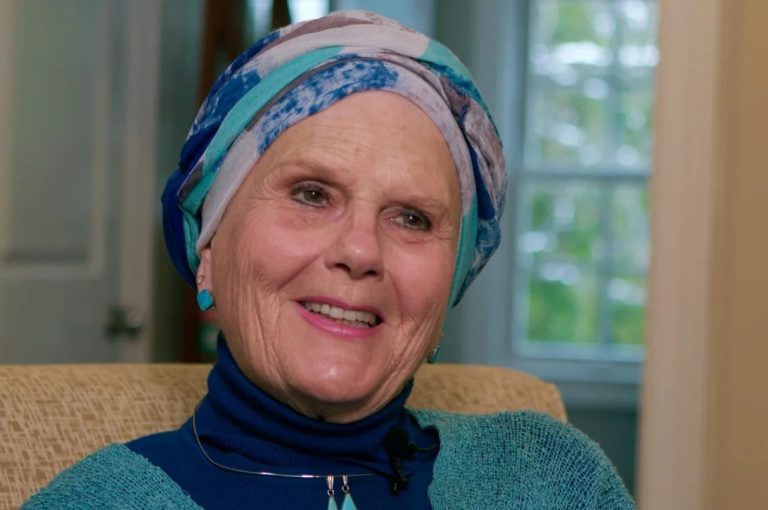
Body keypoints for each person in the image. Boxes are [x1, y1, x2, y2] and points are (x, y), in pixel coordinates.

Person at [24, 11, 634, 509]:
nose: (360, 251)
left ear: (450, 283)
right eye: (312, 195)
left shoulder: (545, 481)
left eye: (412, 218)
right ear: (207, 246)